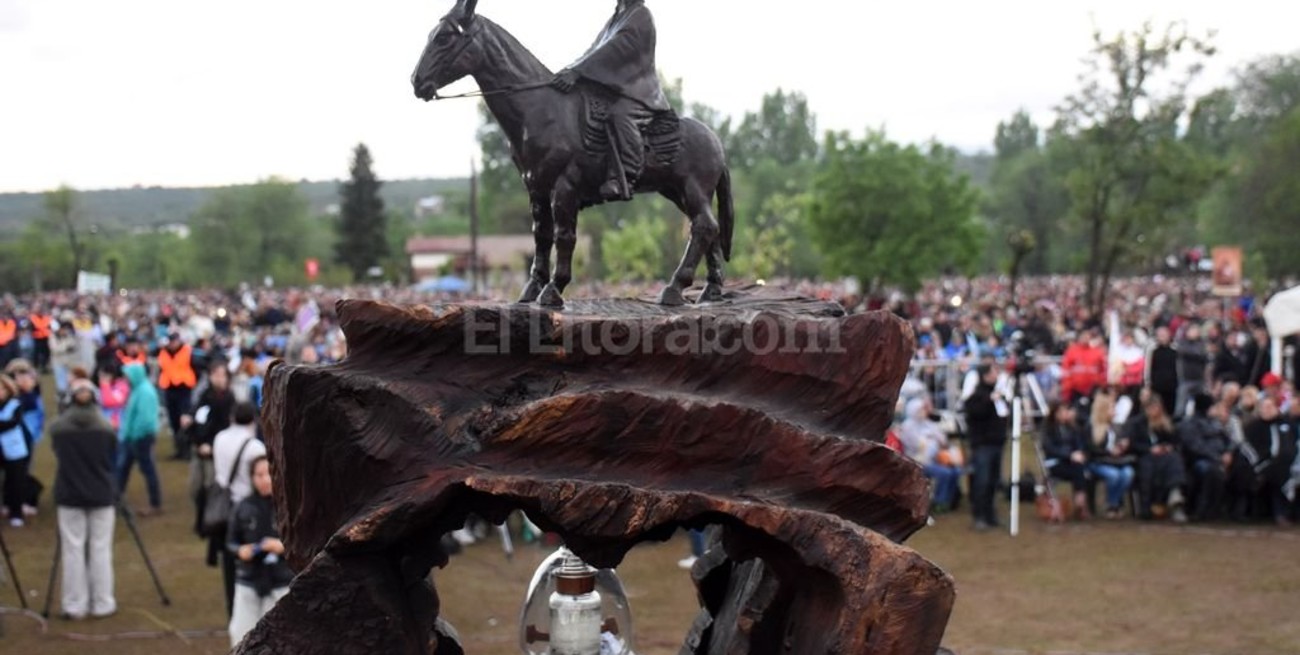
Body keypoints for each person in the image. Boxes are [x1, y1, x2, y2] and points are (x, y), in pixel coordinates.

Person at [551, 0, 672, 201]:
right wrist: (571, 70)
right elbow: (594, 50)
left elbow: (615, 50)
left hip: (637, 89)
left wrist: (578, 72)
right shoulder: (616, 18)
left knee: (619, 115)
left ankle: (626, 173)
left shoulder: (641, 15)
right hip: (616, 87)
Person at [51, 378, 118, 620]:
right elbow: (112, 455)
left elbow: (55, 448)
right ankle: (102, 602)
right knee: (100, 549)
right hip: (101, 492)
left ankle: (74, 605)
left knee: (72, 550)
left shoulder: (59, 428)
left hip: (70, 493)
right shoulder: (105, 427)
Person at [227, 455, 294, 647]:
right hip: (249, 581)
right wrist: (240, 551)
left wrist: (282, 547)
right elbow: (231, 542)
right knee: (240, 636)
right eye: (259, 475)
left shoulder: (289, 507)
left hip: (281, 582)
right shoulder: (243, 507)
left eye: (268, 474)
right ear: (252, 477)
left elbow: (307, 544)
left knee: (280, 640)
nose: (264, 479)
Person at [213, 402, 267, 617]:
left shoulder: (219, 438)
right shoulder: (255, 446)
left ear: (232, 417)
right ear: (253, 420)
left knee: (229, 559)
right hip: (248, 511)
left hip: (225, 508)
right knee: (252, 559)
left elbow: (220, 475)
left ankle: (231, 609)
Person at [1124, 394, 1188, 522]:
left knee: (1174, 459)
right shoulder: (1137, 423)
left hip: (1164, 456)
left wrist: (1168, 447)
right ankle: (1147, 507)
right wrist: (1149, 449)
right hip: (1145, 456)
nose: (1154, 411)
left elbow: (1175, 441)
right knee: (1148, 468)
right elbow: (1133, 443)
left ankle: (1175, 493)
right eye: (1151, 408)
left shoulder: (1165, 423)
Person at [964, 364, 1008, 530]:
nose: (996, 375)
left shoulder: (998, 396)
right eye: (993, 372)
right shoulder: (977, 396)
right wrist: (990, 400)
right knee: (981, 481)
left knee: (993, 482)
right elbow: (975, 412)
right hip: (983, 445)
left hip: (996, 444)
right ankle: (979, 516)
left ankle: (990, 515)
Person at [898, 396, 962, 513]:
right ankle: (939, 501)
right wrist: (931, 441)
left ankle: (949, 500)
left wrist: (932, 440)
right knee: (945, 473)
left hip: (935, 458)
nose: (923, 412)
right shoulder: (907, 426)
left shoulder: (928, 423)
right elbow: (916, 445)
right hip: (917, 461)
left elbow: (942, 440)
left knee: (956, 471)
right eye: (921, 409)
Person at [117, 362, 162, 516]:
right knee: (122, 468)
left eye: (127, 376)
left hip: (140, 438)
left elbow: (146, 420)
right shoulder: (137, 390)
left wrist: (134, 435)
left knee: (147, 469)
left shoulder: (145, 392)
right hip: (132, 437)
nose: (125, 379)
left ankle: (155, 503)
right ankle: (115, 498)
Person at [1041, 400, 1091, 520]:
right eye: (1062, 411)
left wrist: (1079, 453)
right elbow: (1049, 448)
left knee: (1080, 468)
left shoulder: (1072, 428)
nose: (1066, 414)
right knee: (1079, 470)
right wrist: (1069, 455)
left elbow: (1079, 444)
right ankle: (1081, 501)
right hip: (1055, 463)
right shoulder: (1048, 429)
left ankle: (1081, 501)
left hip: (1072, 463)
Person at [1088, 392, 1134, 519]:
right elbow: (1092, 450)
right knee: (1113, 475)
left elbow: (1122, 444)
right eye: (1112, 408)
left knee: (1128, 474)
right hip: (1099, 462)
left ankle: (1113, 502)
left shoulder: (1117, 427)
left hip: (1117, 461)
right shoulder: (1092, 429)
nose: (1115, 411)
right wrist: (1109, 452)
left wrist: (1123, 445)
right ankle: (1112, 504)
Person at [157, 332, 197, 460]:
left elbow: (197, 367)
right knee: (173, 420)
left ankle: (187, 449)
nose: (173, 344)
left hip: (184, 389)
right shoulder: (163, 352)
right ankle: (179, 449)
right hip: (170, 389)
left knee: (185, 419)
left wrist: (192, 382)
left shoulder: (187, 351)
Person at [0, 374, 30, 527]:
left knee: (15, 481)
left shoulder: (15, 404)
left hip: (14, 449)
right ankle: (5, 504)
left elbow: (13, 422)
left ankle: (16, 513)